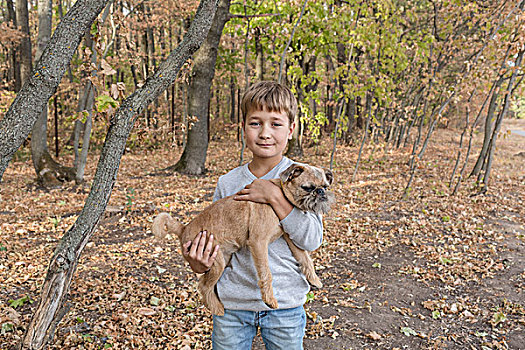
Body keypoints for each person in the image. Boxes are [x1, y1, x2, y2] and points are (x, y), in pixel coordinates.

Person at [182, 81, 323, 350]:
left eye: (276, 124)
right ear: (243, 129)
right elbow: (216, 241)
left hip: (286, 305)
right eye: (255, 123)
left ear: (292, 129)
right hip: (233, 305)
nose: (265, 133)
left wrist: (273, 196)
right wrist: (199, 263)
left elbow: (311, 239)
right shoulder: (228, 182)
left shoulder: (305, 177)